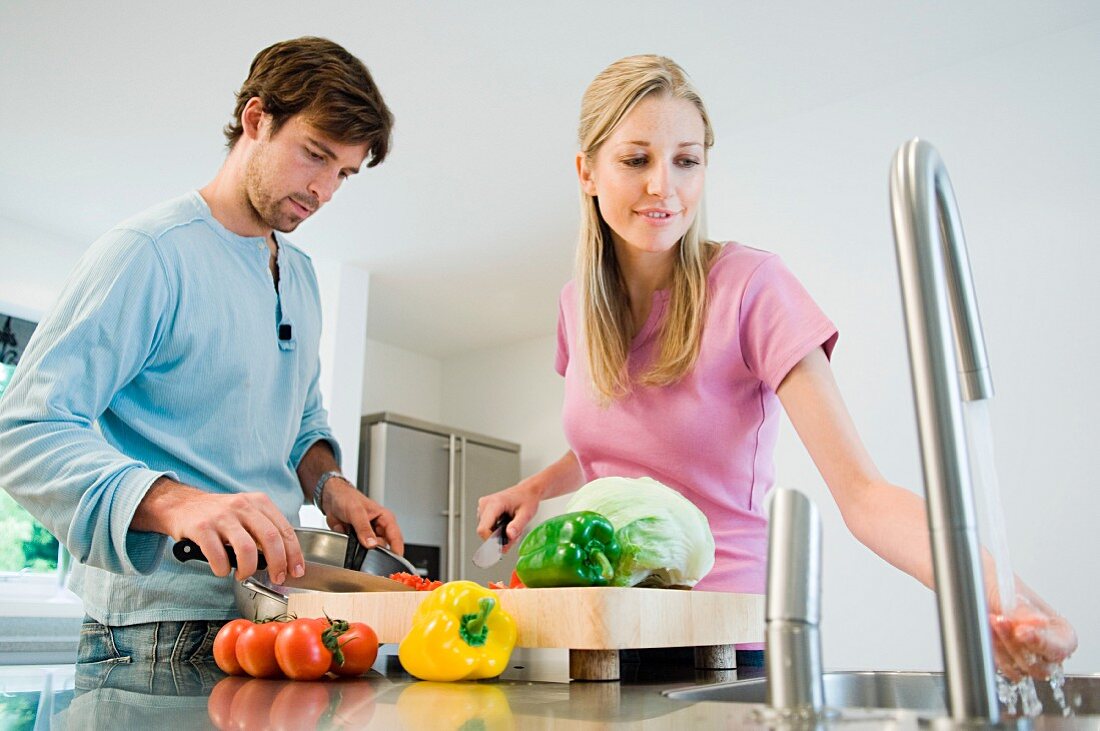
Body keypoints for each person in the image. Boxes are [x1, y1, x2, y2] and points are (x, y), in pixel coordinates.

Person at [476, 54, 1076, 680]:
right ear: (587, 173)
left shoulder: (751, 287)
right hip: (609, 631)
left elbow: (865, 495)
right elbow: (621, 447)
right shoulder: (577, 307)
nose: (664, 186)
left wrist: (1004, 601)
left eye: (686, 160)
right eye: (636, 159)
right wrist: (535, 488)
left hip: (726, 641)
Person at [0, 37, 404, 665]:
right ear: (256, 119)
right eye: (315, 155)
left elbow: (301, 422)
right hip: (153, 629)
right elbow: (25, 431)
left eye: (343, 174)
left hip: (276, 614)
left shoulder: (300, 275)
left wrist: (330, 486)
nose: (325, 189)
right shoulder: (148, 253)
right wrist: (175, 501)